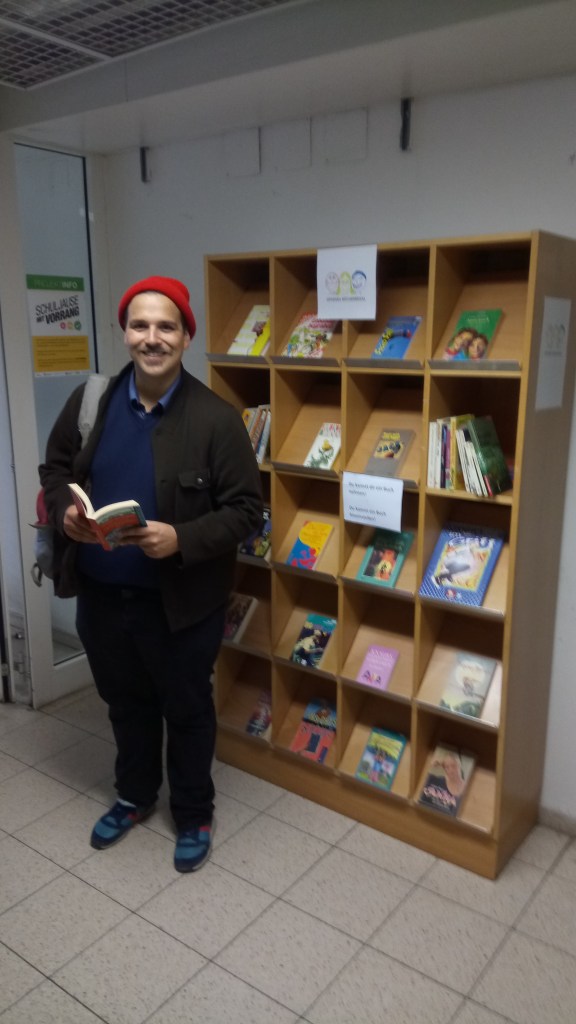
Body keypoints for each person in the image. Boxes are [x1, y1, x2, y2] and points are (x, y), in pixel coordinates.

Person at [39, 276, 263, 873]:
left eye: (167, 326)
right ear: (125, 333)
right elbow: (55, 468)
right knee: (124, 703)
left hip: (182, 606)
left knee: (186, 710)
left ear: (186, 336)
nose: (152, 338)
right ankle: (134, 795)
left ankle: (193, 813)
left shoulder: (217, 420)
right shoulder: (91, 402)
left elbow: (247, 512)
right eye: (140, 325)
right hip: (102, 598)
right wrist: (65, 512)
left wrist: (181, 538)